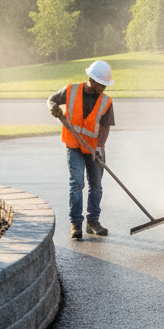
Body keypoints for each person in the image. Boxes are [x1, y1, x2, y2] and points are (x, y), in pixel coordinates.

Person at [47, 60, 115, 241]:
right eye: (100, 84)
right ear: (91, 80)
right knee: (77, 183)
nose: (103, 88)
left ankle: (93, 222)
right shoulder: (71, 90)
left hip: (94, 148)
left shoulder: (106, 101)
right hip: (74, 146)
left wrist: (99, 147)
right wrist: (53, 107)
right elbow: (52, 99)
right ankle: (75, 224)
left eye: (105, 85)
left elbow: (105, 127)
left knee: (96, 186)